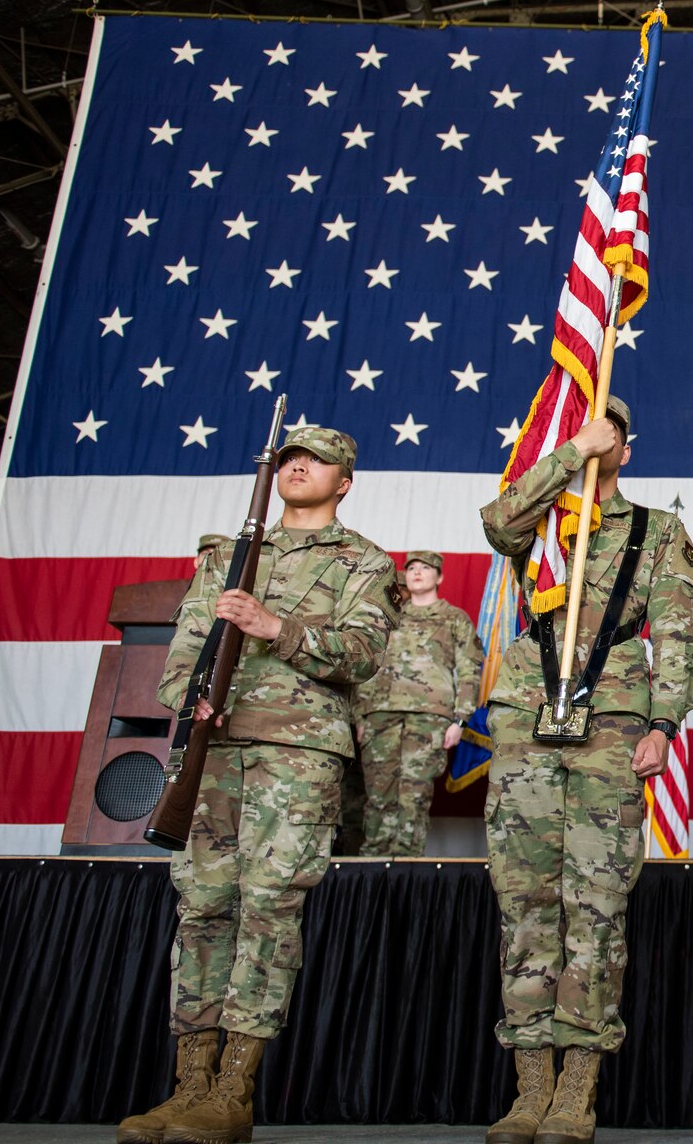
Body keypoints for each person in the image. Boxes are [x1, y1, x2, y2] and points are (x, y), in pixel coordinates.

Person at [120, 427, 399, 1144]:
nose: (296, 464)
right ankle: (187, 1086)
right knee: (203, 908)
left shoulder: (361, 560)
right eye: (287, 456)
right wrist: (191, 700)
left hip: (296, 752)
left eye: (316, 458)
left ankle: (233, 1090)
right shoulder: (228, 554)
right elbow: (187, 641)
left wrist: (275, 626)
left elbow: (364, 655)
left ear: (345, 480)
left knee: (269, 909)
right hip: (216, 748)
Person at [477, 396, 693, 1144]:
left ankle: (579, 1085)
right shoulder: (543, 523)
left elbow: (676, 633)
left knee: (596, 906)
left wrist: (665, 724)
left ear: (629, 450)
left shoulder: (658, 531)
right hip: (525, 721)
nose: (603, 437)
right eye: (590, 424)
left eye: (612, 432)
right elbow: (497, 520)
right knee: (526, 903)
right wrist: (571, 451)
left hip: (611, 726)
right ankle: (530, 1085)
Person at [352, 550, 484, 857]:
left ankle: (407, 868)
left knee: (414, 795)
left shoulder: (454, 619)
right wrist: (360, 716)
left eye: (426, 568)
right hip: (379, 716)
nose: (417, 573)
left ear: (439, 577)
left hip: (430, 717)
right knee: (378, 796)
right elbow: (366, 664)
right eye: (411, 568)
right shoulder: (389, 617)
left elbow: (468, 669)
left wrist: (460, 720)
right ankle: (374, 866)